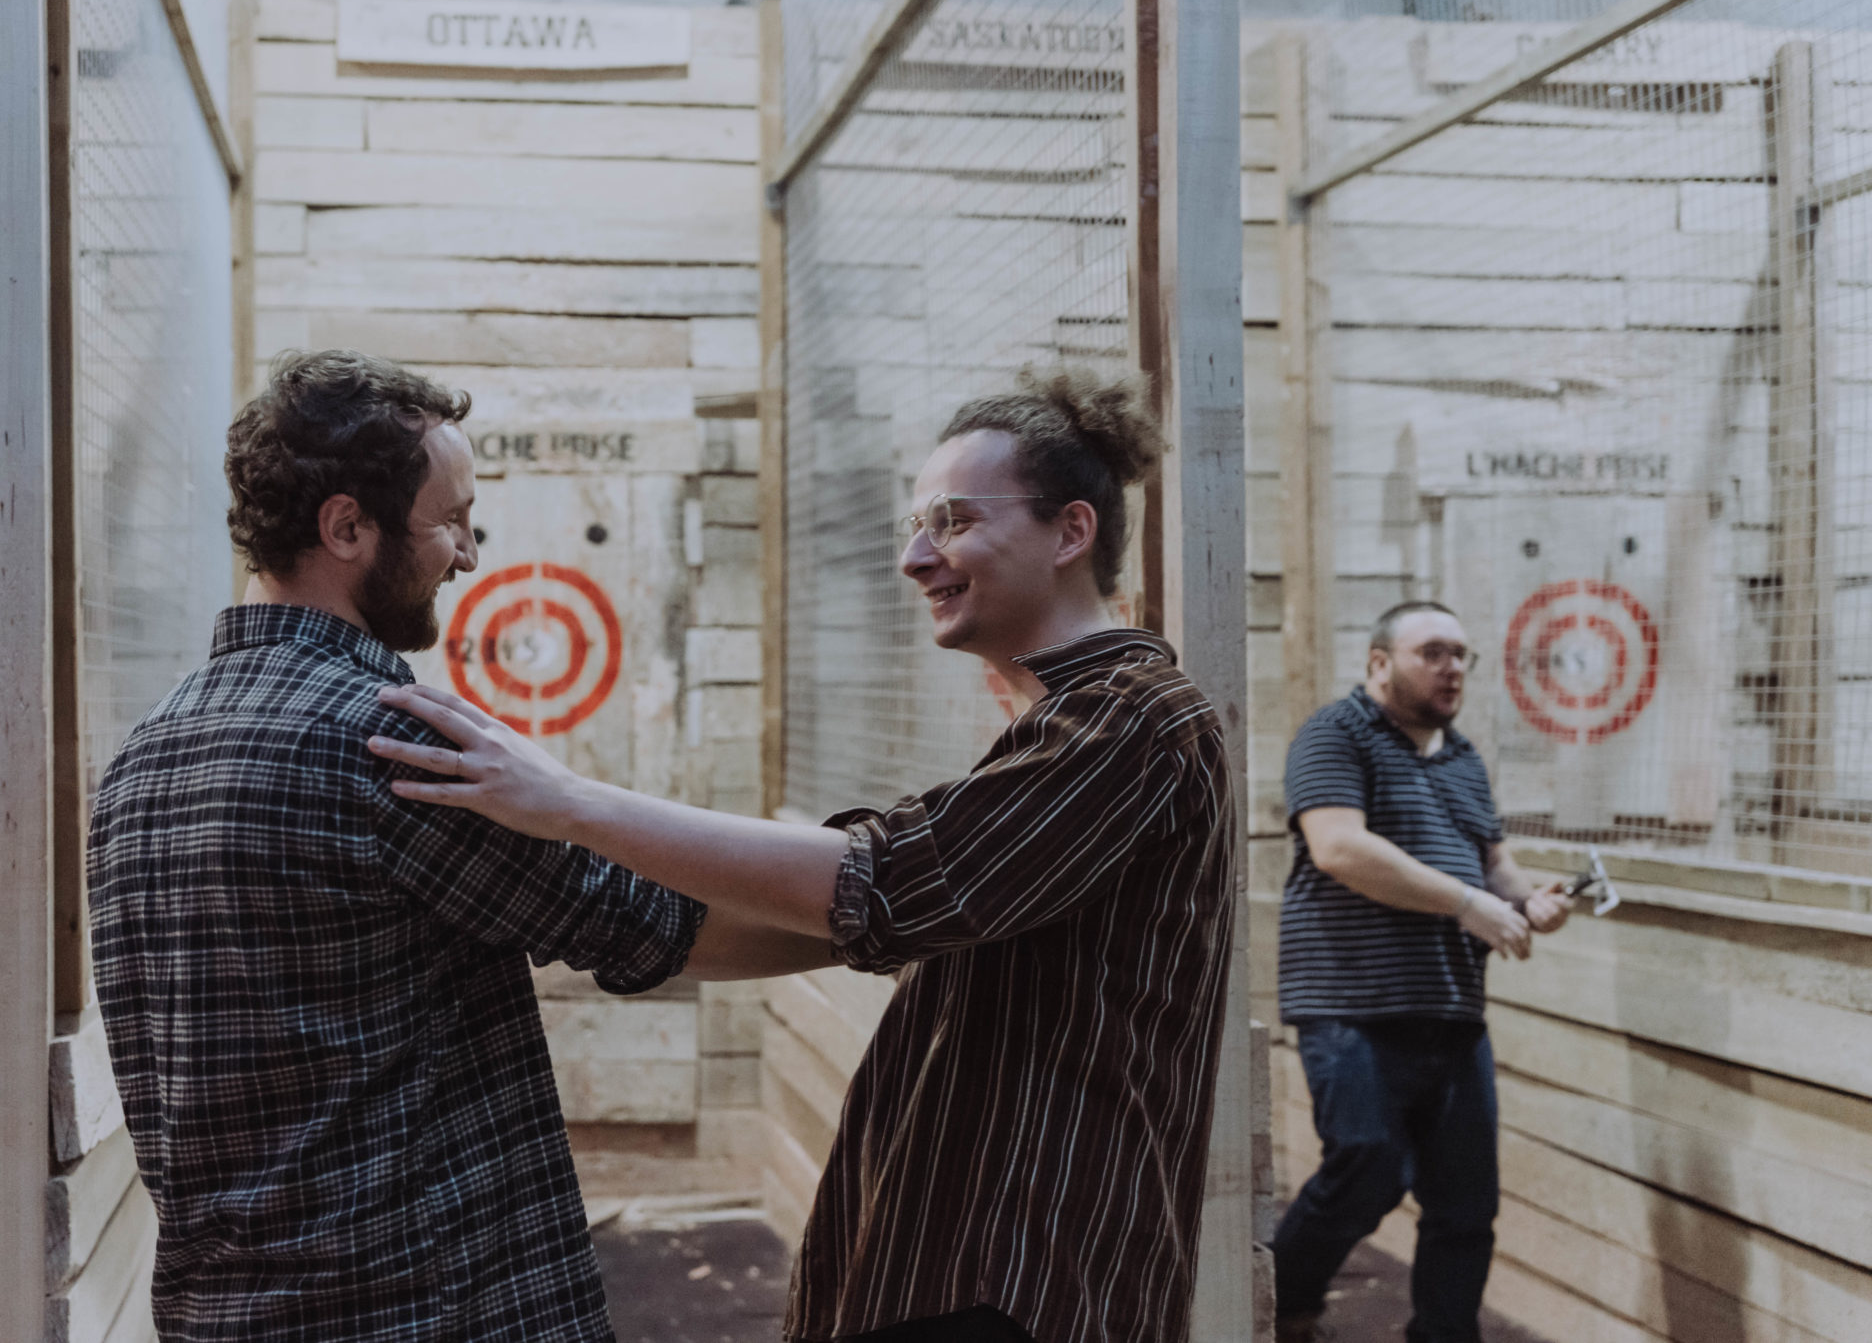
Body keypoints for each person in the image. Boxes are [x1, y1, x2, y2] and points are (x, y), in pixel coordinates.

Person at [372, 368, 1239, 1343]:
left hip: (1030, 1275)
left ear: (1070, 531)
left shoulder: (1133, 718)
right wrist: (591, 897)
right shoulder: (1072, 719)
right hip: (980, 1262)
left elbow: (886, 885)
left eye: (952, 521)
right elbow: (868, 902)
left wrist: (570, 803)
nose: (915, 557)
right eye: (915, 525)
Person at [88, 350, 774, 1341]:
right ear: (346, 527)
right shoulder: (389, 743)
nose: (469, 556)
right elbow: (652, 923)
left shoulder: (140, 758)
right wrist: (878, 905)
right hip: (414, 1311)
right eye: (451, 519)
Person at [1270, 600, 1570, 1343]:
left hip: (1452, 1007)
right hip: (1352, 1001)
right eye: (1432, 652)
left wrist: (1529, 901)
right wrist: (1468, 904)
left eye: (1461, 654)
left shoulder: (1462, 757)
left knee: (1466, 1205)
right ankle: (1281, 1301)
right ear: (1379, 663)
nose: (1452, 667)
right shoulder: (1334, 734)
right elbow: (1339, 847)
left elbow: (1493, 863)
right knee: (1367, 1166)